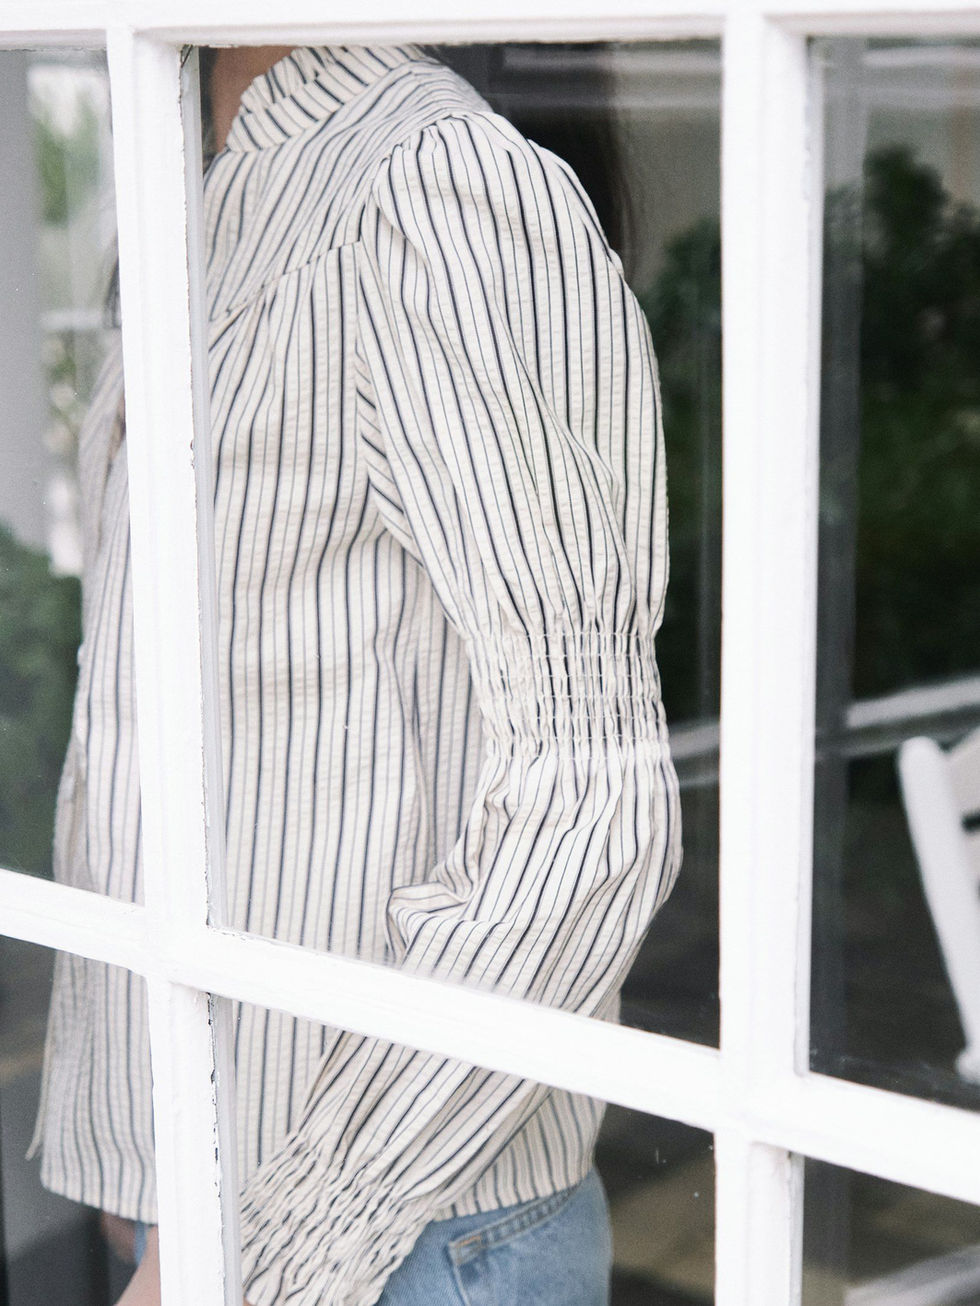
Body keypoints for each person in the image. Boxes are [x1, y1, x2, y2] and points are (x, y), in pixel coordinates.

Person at [33, 43, 681, 1306]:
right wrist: (142, 1157)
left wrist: (266, 1250)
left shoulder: (427, 186)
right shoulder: (202, 175)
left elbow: (590, 811)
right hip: (199, 1210)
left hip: (391, 1250)